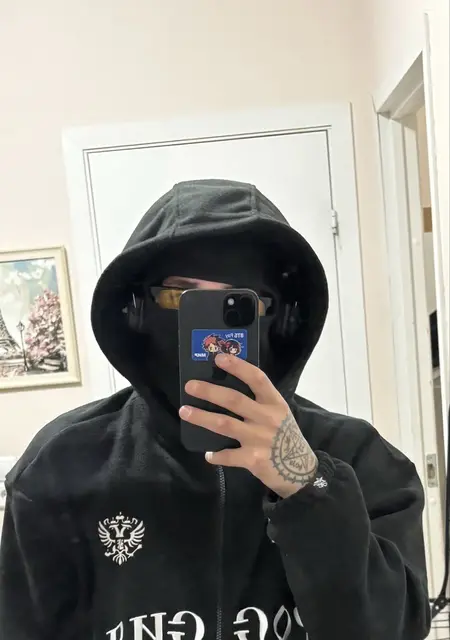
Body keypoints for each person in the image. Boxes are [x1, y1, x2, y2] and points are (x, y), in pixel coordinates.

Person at [0, 179, 431, 639]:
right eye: (181, 296)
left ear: (282, 320)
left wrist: (308, 486)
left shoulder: (360, 457)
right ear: (138, 311)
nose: (209, 335)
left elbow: (397, 630)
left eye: (237, 303)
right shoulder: (61, 463)